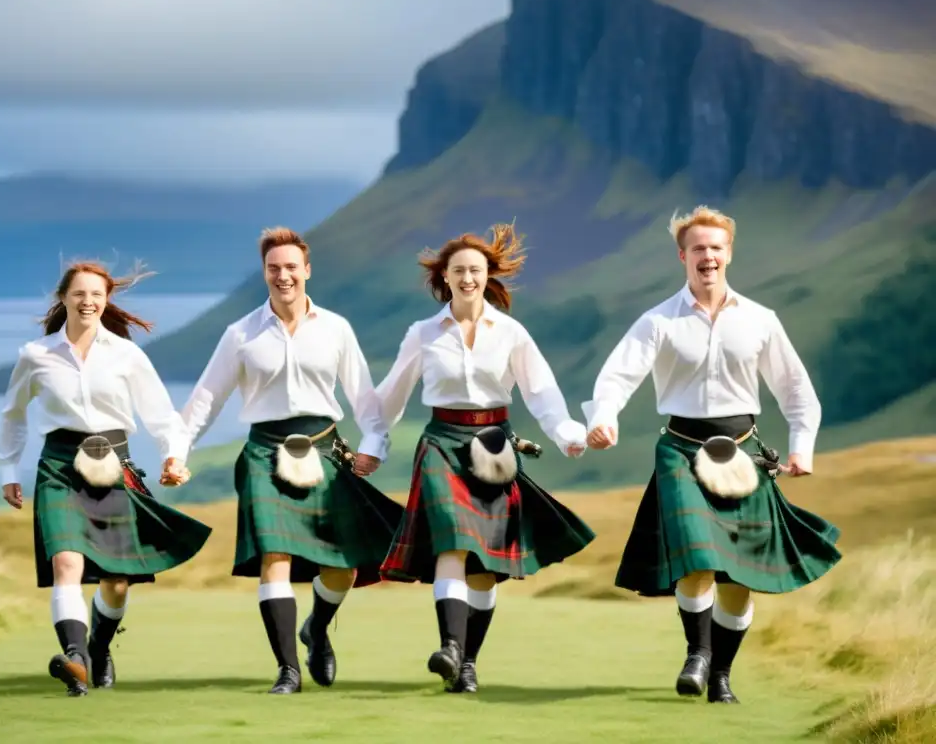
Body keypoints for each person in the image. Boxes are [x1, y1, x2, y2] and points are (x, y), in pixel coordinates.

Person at [582, 206, 842, 704]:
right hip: (680, 451)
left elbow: (795, 389)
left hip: (743, 455)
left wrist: (800, 447)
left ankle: (720, 674)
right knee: (696, 555)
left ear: (729, 255)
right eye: (698, 248)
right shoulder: (658, 320)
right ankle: (697, 655)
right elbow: (617, 376)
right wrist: (603, 419)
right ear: (683, 256)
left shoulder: (761, 320)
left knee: (739, 578)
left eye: (716, 248)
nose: (708, 256)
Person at [178, 226, 405, 695]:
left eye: (290, 267)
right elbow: (205, 398)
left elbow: (365, 399)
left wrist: (374, 446)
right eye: (273, 268)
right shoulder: (240, 333)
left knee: (341, 566)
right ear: (264, 272)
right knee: (274, 557)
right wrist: (178, 452)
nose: (283, 276)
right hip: (264, 453)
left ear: (307, 270)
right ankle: (287, 670)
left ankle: (316, 629)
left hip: (325, 450)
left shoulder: (336, 327)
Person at [374, 221, 595, 694]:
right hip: (441, 443)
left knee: (484, 567)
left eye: (476, 270)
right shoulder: (423, 334)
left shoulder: (511, 333)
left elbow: (542, 393)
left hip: (496, 447)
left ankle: (467, 662)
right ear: (445, 278)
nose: (468, 278)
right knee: (453, 540)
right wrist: (373, 444)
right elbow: (389, 397)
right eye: (459, 271)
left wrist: (568, 434)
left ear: (488, 275)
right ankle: (450, 647)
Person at [0, 261, 213, 698]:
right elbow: (12, 416)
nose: (88, 301)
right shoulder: (36, 356)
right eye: (79, 294)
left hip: (115, 465)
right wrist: (7, 471)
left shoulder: (126, 354)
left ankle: (99, 647)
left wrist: (174, 456)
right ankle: (76, 658)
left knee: (115, 580)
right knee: (66, 564)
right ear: (64, 298)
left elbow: (161, 414)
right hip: (59, 466)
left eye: (96, 294)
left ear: (107, 299)